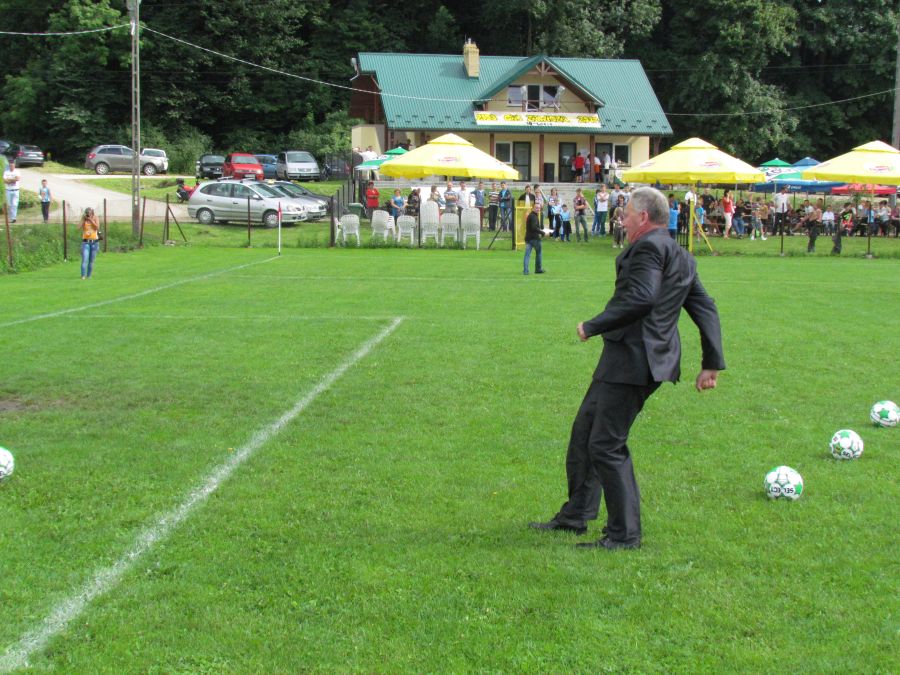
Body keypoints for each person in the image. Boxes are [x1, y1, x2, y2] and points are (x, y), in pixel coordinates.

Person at [528, 186, 725, 549]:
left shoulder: (648, 248)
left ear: (644, 217)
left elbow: (642, 298)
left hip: (635, 359)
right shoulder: (680, 255)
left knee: (606, 443)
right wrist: (711, 362)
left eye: (628, 213)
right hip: (633, 358)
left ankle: (624, 534)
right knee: (586, 431)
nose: (623, 218)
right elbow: (705, 307)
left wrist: (593, 325)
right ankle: (575, 515)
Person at [522, 203, 545, 275]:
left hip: (528, 238)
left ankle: (525, 270)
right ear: (533, 208)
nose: (538, 209)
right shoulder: (534, 216)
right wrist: (542, 232)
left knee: (527, 255)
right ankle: (538, 269)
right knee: (539, 253)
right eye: (536, 208)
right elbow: (534, 227)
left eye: (539, 208)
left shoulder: (530, 215)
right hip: (535, 238)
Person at [79, 207, 100, 279]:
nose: (88, 215)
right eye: (87, 213)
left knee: (91, 261)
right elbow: (78, 227)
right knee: (85, 259)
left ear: (92, 213)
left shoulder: (95, 218)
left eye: (89, 214)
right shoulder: (84, 219)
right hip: (86, 242)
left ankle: (89, 276)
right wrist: (83, 220)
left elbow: (97, 227)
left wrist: (91, 220)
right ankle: (83, 276)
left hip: (94, 242)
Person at [3, 159, 21, 223]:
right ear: (9, 166)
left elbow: (17, 178)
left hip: (16, 190)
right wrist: (13, 179)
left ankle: (14, 218)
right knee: (9, 204)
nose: (11, 167)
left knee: (15, 204)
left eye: (12, 165)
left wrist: (9, 180)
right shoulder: (6, 172)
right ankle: (11, 217)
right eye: (10, 165)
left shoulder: (17, 172)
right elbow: (5, 180)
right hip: (8, 190)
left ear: (14, 165)